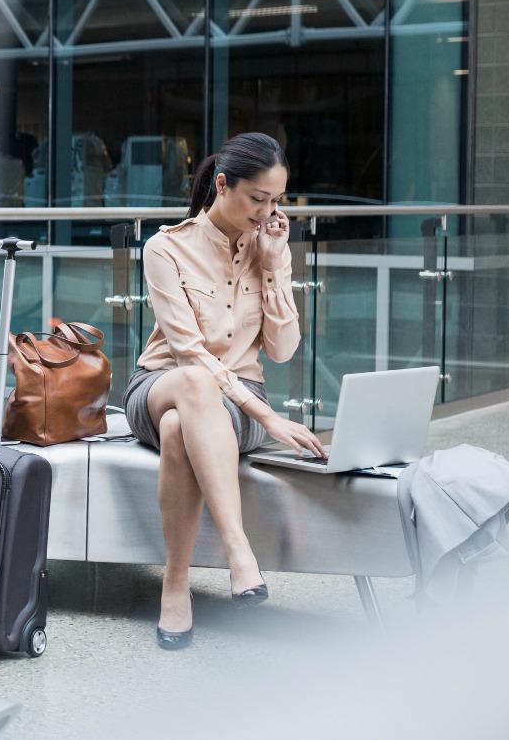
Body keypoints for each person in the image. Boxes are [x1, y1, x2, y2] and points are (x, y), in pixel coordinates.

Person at [123, 132, 326, 651]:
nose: (267, 212)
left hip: (233, 405)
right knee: (190, 386)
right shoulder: (166, 248)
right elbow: (190, 355)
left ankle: (174, 584)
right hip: (161, 387)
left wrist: (277, 264)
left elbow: (281, 350)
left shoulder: (266, 249)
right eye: (258, 199)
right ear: (222, 184)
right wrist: (271, 419)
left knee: (179, 432)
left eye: (277, 201)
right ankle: (239, 552)